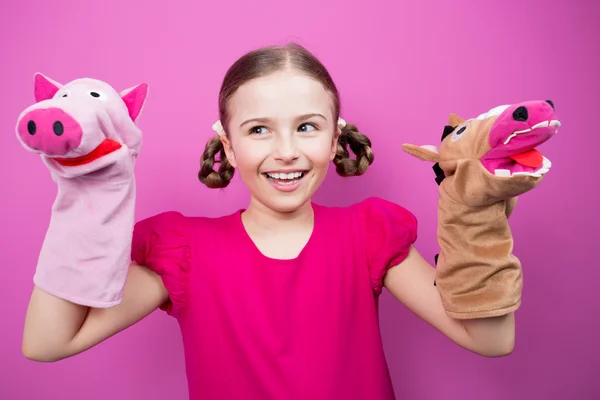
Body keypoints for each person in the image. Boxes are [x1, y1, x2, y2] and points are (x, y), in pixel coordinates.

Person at [22, 42, 515, 400]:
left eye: (306, 127)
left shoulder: (367, 235)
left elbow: (491, 341)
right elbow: (47, 342)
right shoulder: (183, 250)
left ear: (335, 137)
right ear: (229, 145)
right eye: (259, 130)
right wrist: (87, 192)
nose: (286, 152)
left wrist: (476, 213)